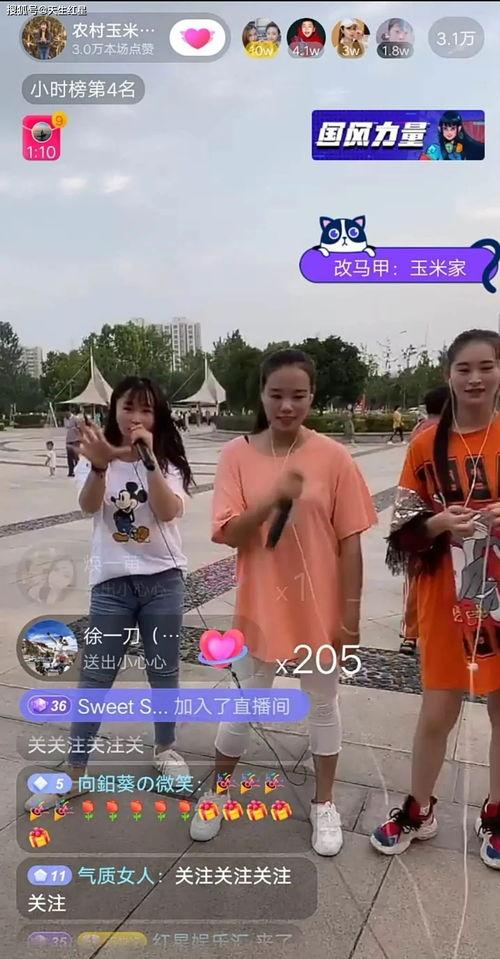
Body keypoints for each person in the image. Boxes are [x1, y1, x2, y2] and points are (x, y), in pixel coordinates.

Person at [189, 349, 377, 855]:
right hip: (260, 607)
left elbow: (351, 541)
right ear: (262, 395)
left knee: (323, 703)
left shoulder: (333, 457)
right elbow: (231, 533)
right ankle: (218, 791)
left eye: (298, 395)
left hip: (319, 608)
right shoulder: (237, 455)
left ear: (312, 397)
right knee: (244, 703)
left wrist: (350, 614)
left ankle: (324, 803)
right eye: (277, 395)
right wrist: (274, 497)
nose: (287, 406)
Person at [26, 376, 193, 812]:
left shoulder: (167, 459)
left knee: (163, 670)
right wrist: (100, 467)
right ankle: (75, 771)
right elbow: (88, 506)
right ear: (114, 409)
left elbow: (168, 511)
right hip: (112, 585)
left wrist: (150, 461)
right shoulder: (96, 454)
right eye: (128, 407)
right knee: (96, 674)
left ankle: (165, 750)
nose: (136, 417)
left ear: (157, 417)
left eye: (146, 410)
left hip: (163, 581)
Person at [371, 329, 500, 869]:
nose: (475, 378)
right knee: (437, 711)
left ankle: (495, 812)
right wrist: (439, 522)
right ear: (448, 375)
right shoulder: (425, 444)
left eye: (486, 366)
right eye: (464, 368)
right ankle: (419, 808)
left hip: (499, 597)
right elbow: (401, 534)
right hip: (446, 597)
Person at [398, 386, 450, 654]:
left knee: (416, 579)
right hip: (435, 517)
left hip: (421, 516)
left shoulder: (418, 429)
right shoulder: (440, 433)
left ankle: (410, 634)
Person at [65, 410, 81, 477]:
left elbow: (79, 427)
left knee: (76, 456)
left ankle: (77, 470)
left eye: (66, 412)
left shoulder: (75, 419)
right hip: (69, 439)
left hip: (75, 439)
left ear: (69, 412)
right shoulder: (65, 419)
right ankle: (71, 471)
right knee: (69, 457)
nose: (65, 414)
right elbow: (66, 427)